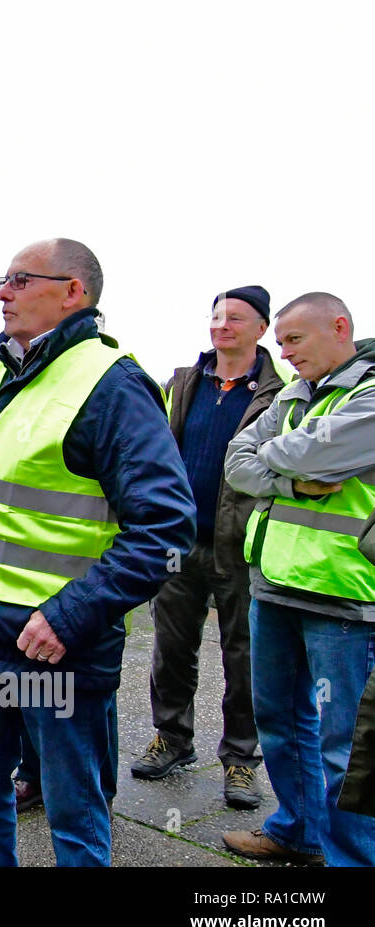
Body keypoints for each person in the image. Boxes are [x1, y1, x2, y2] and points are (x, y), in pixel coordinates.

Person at [0, 240, 195, 866]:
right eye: (2, 279)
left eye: (21, 280)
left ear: (73, 292)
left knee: (72, 810)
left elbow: (165, 525)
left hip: (53, 643)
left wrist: (71, 615)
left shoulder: (111, 385)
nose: (2, 292)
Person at [221, 292, 375, 866]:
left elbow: (310, 452)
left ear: (339, 327)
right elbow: (237, 462)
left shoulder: (368, 392)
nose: (283, 354)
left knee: (346, 745)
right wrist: (290, 479)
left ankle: (352, 858)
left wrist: (279, 456)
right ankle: (298, 832)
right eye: (280, 343)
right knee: (281, 721)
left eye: (294, 340)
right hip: (274, 583)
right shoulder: (294, 393)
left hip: (343, 592)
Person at [133, 285, 287, 810]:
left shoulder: (280, 394)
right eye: (217, 315)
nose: (222, 325)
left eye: (236, 318)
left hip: (240, 547)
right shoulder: (183, 383)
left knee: (244, 658)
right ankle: (172, 739)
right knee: (171, 649)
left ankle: (241, 759)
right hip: (179, 542)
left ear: (261, 328)